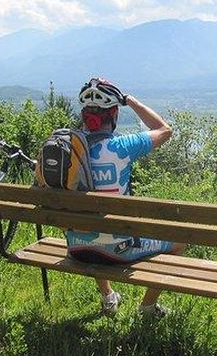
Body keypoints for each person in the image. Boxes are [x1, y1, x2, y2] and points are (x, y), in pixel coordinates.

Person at [65, 77, 184, 317]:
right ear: (114, 115)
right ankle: (148, 307)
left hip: (76, 248)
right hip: (118, 251)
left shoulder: (68, 147)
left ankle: (109, 297)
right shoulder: (122, 147)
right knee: (179, 241)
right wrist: (128, 99)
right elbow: (164, 129)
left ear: (85, 116)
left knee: (91, 226)